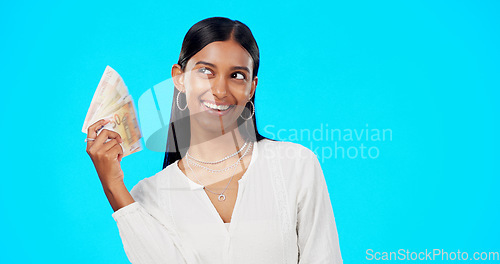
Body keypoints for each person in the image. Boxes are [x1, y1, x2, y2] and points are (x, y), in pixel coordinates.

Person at [86, 17, 343, 264]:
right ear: (179, 77)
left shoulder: (295, 165)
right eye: (206, 71)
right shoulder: (150, 195)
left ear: (252, 87)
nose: (220, 90)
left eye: (237, 76)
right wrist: (113, 186)